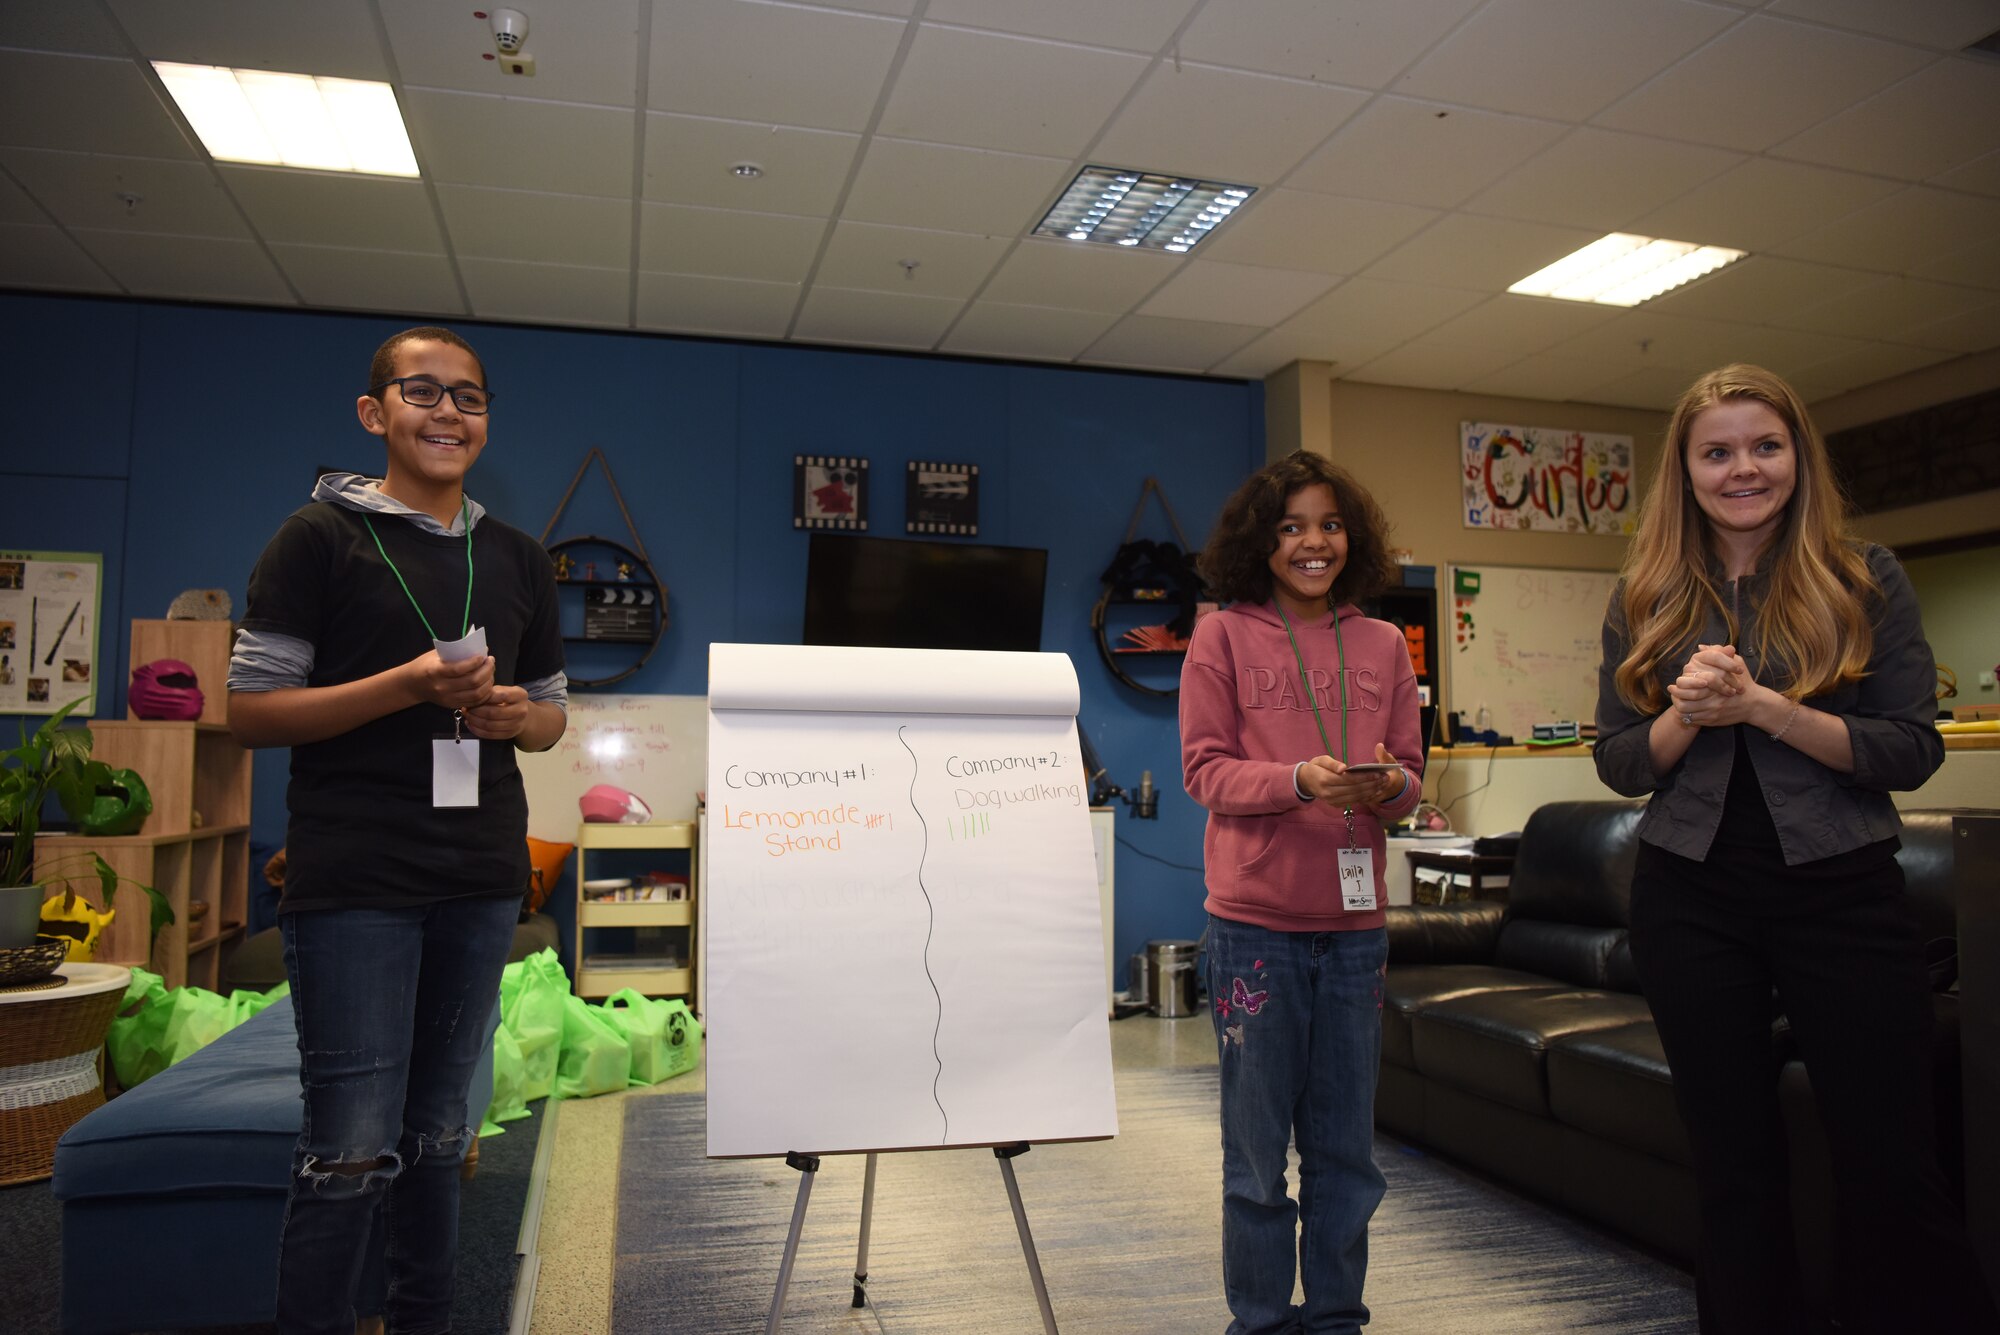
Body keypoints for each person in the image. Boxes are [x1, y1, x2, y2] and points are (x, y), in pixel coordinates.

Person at [1595, 364, 1999, 1334]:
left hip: (1840, 891)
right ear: (1684, 471)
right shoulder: (1645, 589)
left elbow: (1907, 752)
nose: (1742, 469)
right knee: (1732, 1173)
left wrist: (1764, 709)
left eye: (1762, 446)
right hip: (1687, 898)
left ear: (1796, 455)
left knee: (1889, 1165)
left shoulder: (1864, 575)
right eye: (1716, 451)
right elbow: (1618, 760)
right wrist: (1687, 716)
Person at [228, 326, 567, 1334]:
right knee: (348, 1145)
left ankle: (420, 1319)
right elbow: (250, 713)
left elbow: (551, 718)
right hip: (355, 881)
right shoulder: (316, 539)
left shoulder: (516, 557)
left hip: (479, 874)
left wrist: (516, 718)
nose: (448, 413)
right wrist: (409, 684)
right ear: (374, 414)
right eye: (422, 393)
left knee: (438, 1135)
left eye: (468, 398)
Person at [1181, 450, 1424, 1335]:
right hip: (1255, 929)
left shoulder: (1383, 642)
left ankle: (1335, 1319)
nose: (1312, 542)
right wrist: (1297, 780)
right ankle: (1258, 1318)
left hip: (1356, 929)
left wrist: (1383, 786)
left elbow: (1410, 780)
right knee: (1254, 1159)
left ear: (1349, 538)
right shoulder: (1223, 636)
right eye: (1290, 526)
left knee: (1345, 1155)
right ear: (1261, 540)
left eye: (1327, 524)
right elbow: (1204, 771)